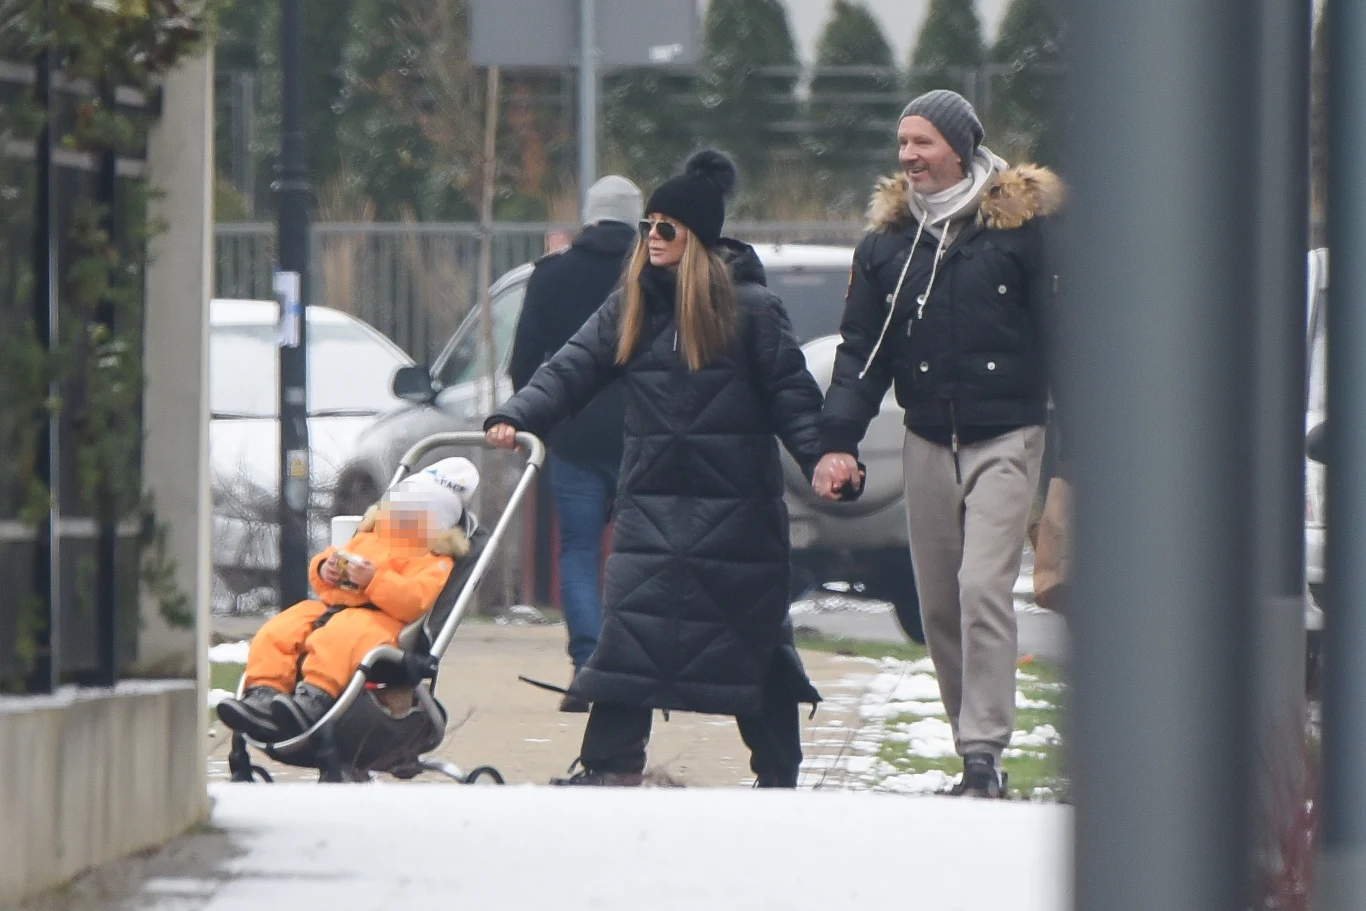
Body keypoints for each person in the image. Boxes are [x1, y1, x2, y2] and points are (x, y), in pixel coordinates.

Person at [486, 149, 831, 788]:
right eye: (648, 226)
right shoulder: (632, 305)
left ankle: (779, 773)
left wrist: (827, 460)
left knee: (754, 641)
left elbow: (794, 398)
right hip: (651, 500)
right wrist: (518, 415)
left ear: (696, 238)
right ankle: (610, 763)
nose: (652, 239)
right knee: (632, 630)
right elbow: (570, 367)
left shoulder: (751, 310)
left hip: (736, 511)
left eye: (666, 228)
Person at [812, 90, 1063, 798]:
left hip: (1008, 434)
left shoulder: (1021, 233)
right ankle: (970, 745)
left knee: (984, 586)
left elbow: (1065, 343)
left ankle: (984, 748)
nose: (908, 157)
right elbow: (861, 353)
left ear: (959, 146)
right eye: (902, 144)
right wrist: (838, 440)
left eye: (921, 142)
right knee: (940, 605)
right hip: (925, 436)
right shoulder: (888, 245)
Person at [216, 457, 480, 742]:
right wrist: (325, 569)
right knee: (280, 629)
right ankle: (264, 694)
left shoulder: (433, 559)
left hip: (383, 622)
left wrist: (374, 580)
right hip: (334, 607)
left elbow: (415, 600)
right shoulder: (368, 537)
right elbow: (329, 564)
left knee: (340, 638)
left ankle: (314, 697)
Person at [509, 175, 643, 712]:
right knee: (640, 554)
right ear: (637, 218)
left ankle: (588, 662)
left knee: (580, 552)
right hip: (643, 434)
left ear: (589, 215)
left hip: (574, 435)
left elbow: (523, 362)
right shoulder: (650, 275)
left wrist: (537, 422)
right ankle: (630, 665)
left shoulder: (552, 275)